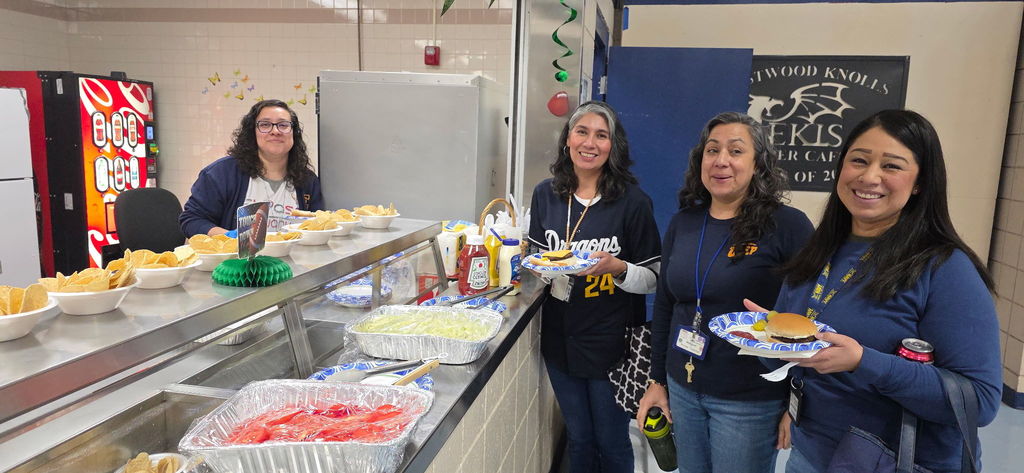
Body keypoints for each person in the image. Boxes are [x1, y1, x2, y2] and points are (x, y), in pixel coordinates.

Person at [746, 109, 1000, 473]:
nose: (869, 176)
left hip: (893, 462)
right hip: (810, 455)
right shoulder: (818, 252)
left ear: (920, 184)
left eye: (892, 166)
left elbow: (981, 401)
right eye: (859, 160)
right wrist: (765, 340)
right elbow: (792, 361)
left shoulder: (943, 267)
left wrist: (865, 362)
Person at [635, 112, 814, 473]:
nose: (721, 161)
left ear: (758, 164)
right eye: (712, 150)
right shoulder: (684, 222)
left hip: (748, 400)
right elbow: (667, 305)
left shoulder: (786, 225)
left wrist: (796, 403)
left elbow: (810, 320)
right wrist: (656, 381)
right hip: (682, 387)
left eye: (735, 151)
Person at [527, 101, 661, 473]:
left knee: (611, 440)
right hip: (560, 337)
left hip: (612, 341)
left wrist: (618, 268)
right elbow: (536, 257)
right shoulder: (545, 194)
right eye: (581, 131)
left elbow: (654, 277)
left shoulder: (633, 202)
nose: (590, 142)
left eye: (601, 135)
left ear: (612, 146)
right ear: (568, 139)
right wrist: (535, 269)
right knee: (579, 436)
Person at [179, 99, 324, 237]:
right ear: (252, 132)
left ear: (294, 133)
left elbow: (318, 225)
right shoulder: (221, 174)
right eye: (265, 125)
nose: (275, 131)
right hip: (237, 261)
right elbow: (192, 219)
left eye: (283, 125)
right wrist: (228, 237)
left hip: (290, 262)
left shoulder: (307, 180)